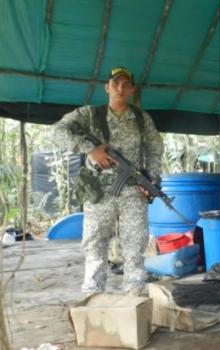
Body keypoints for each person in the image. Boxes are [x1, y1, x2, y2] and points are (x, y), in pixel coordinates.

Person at [52, 66, 164, 296]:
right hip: (99, 192)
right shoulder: (90, 115)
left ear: (132, 89)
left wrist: (151, 177)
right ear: (107, 87)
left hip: (132, 191)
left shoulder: (142, 120)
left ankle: (134, 299)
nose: (120, 88)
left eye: (125, 84)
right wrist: (91, 149)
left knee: (135, 246)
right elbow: (57, 132)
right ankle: (93, 299)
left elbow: (154, 150)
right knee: (95, 246)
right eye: (116, 84)